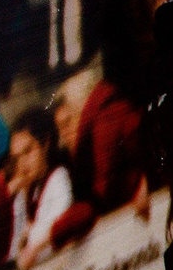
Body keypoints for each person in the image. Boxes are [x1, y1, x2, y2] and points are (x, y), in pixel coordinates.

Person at [47, 73, 147, 250]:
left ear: (83, 110)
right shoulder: (103, 124)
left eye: (67, 122)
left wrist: (54, 233)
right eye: (60, 128)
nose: (63, 138)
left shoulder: (107, 121)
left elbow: (99, 198)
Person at [4, 112, 71, 270]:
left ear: (45, 143)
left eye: (27, 151)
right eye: (17, 158)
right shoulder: (27, 190)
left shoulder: (59, 178)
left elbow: (50, 231)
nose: (22, 163)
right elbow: (11, 249)